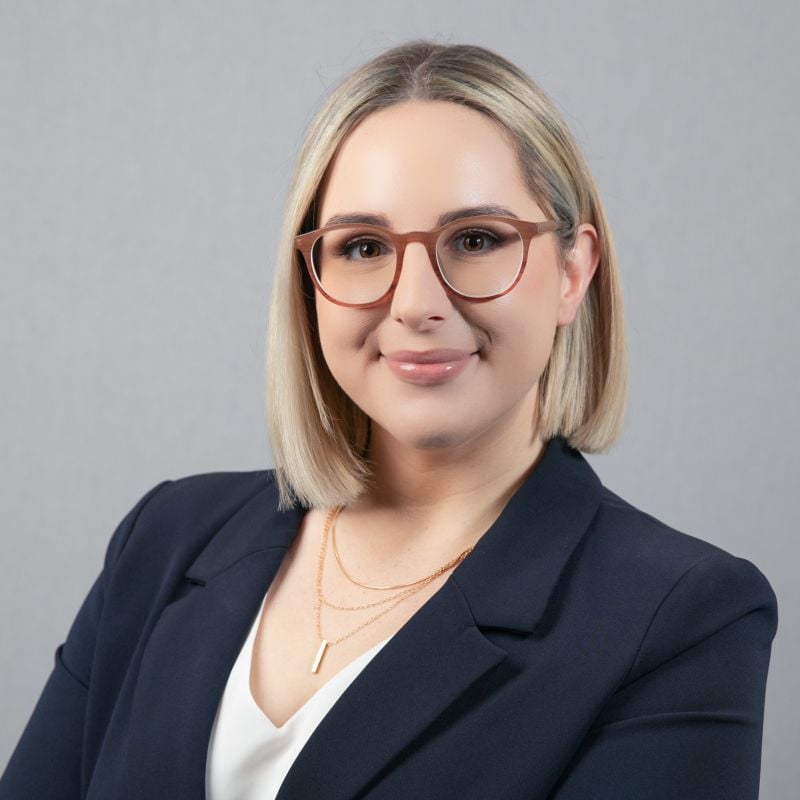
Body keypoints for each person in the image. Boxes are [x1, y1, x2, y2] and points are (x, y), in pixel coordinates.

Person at [0, 40, 778, 800]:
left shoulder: (683, 617)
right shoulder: (166, 538)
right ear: (309, 281)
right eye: (364, 247)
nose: (415, 304)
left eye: (476, 240)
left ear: (573, 271)